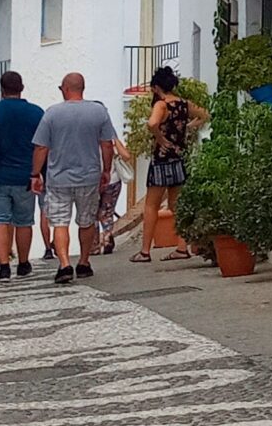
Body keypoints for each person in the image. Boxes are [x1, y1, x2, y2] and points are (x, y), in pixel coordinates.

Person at [28, 72, 118, 284]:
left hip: (59, 178)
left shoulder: (51, 114)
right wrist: (106, 171)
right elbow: (107, 144)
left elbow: (41, 147)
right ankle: (84, 262)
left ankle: (65, 264)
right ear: (82, 88)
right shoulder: (98, 112)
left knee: (60, 223)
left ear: (65, 89)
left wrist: (35, 174)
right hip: (89, 177)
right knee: (86, 221)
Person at [0, 71, 45, 281]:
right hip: (26, 175)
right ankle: (23, 263)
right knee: (24, 221)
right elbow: (43, 145)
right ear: (21, 88)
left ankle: (4, 266)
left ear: (1, 89)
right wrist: (38, 172)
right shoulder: (36, 112)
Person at [129, 66, 194, 263]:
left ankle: (145, 251)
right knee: (176, 204)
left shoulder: (161, 105)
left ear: (157, 87)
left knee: (151, 205)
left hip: (161, 159)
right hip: (178, 157)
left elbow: (151, 124)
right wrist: (188, 128)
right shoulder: (184, 104)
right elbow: (205, 114)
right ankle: (182, 247)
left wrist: (160, 138)